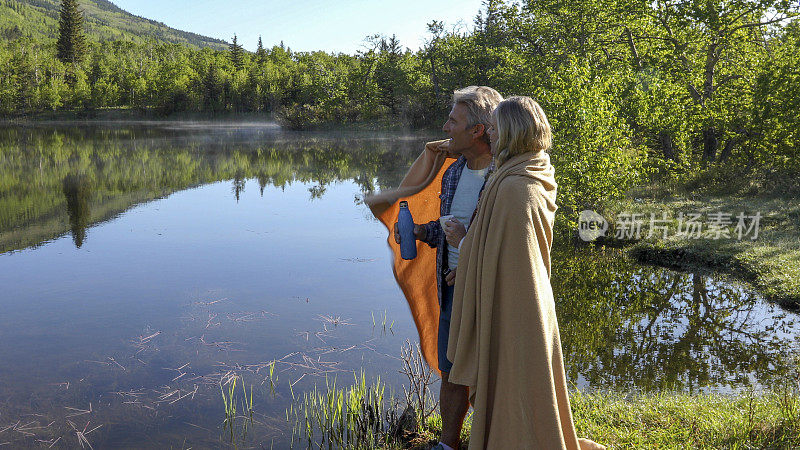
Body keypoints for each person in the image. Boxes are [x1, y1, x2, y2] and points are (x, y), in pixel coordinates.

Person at [444, 97, 605, 449]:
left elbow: (505, 252)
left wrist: (462, 245)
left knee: (515, 380)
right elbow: (497, 248)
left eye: (498, 130)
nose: (494, 137)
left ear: (513, 133)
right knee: (517, 382)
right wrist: (472, 256)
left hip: (516, 306)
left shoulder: (515, 186)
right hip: (525, 297)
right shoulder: (534, 170)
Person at [395, 86, 502, 450]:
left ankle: (499, 437)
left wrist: (470, 256)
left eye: (453, 121)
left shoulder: (504, 177)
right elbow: (449, 229)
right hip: (452, 289)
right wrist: (421, 230)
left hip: (489, 291)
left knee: (492, 371)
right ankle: (448, 444)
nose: (444, 128)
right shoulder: (454, 172)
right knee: (451, 369)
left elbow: (510, 241)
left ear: (477, 130)